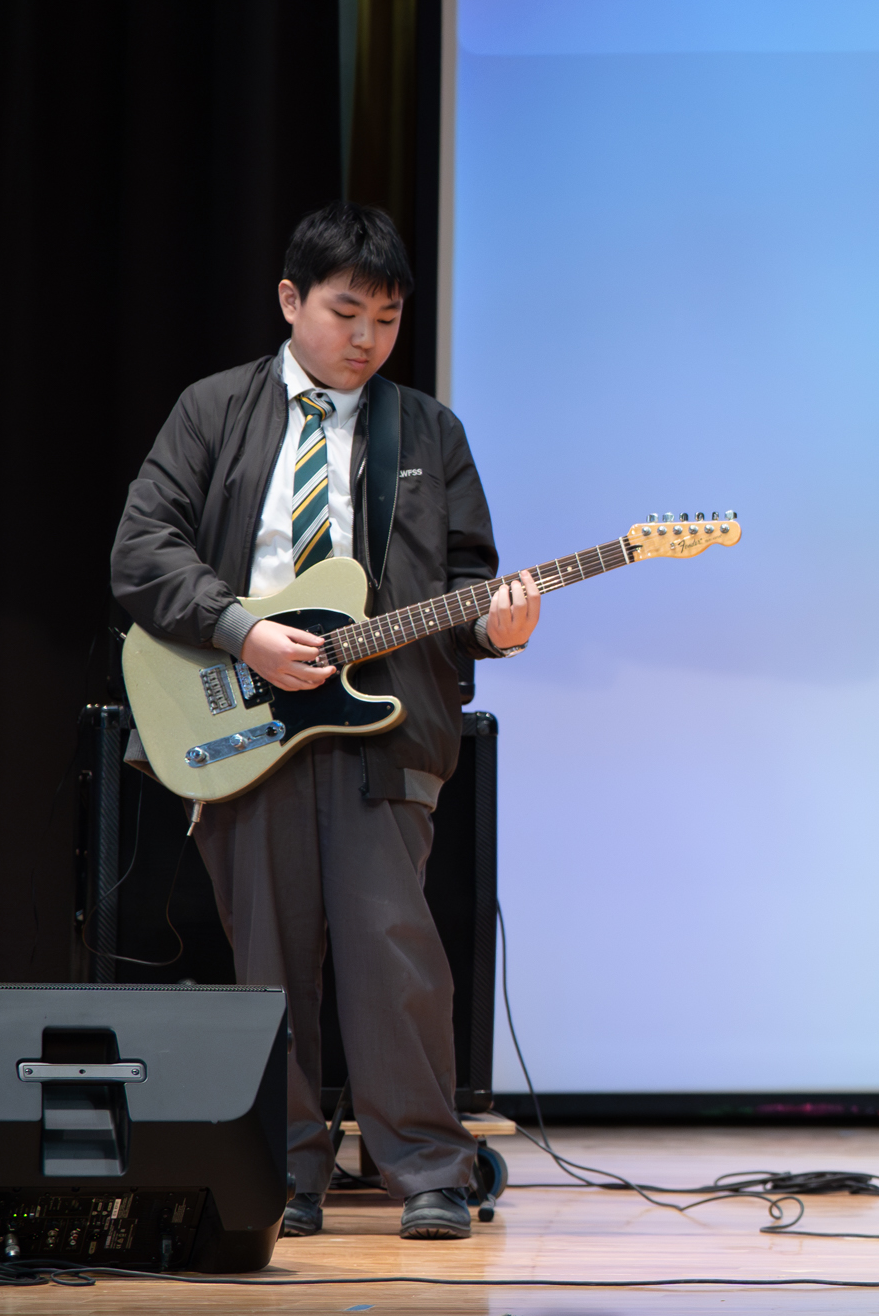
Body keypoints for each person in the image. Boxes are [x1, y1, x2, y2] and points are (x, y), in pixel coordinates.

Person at [109, 203, 540, 1241]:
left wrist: (498, 626)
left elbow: (469, 580)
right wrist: (242, 630)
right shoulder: (214, 409)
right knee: (268, 959)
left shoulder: (428, 430)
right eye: (347, 312)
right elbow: (141, 547)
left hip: (383, 730)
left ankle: (427, 1169)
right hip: (243, 720)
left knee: (394, 950)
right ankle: (284, 1171)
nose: (367, 338)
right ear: (290, 299)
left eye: (387, 319)